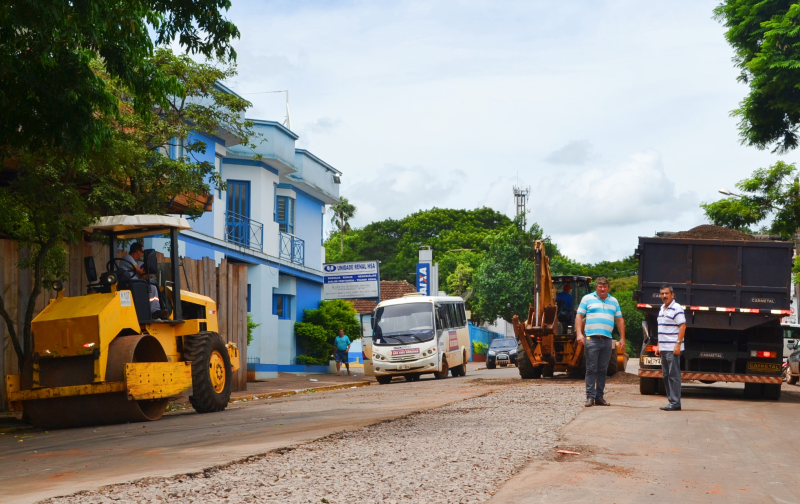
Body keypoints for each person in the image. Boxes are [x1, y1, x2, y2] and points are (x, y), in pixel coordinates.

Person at [575, 277, 625, 407]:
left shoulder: (614, 301)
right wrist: (579, 333)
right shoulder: (587, 298)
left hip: (607, 340)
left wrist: (622, 338)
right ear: (596, 287)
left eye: (605, 287)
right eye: (600, 286)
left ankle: (599, 397)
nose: (602, 289)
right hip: (592, 339)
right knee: (591, 369)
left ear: (608, 288)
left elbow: (619, 319)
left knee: (603, 370)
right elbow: (579, 316)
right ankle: (590, 397)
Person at [655, 284, 685, 411]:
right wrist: (658, 345)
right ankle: (671, 401)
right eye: (662, 293)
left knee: (673, 375)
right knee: (666, 375)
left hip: (672, 348)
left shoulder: (677, 308)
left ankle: (675, 402)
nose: (664, 296)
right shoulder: (662, 308)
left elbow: (682, 326)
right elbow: (662, 328)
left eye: (667, 293)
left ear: (672, 294)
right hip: (664, 347)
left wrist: (678, 344)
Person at [120, 243, 169, 319]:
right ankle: (154, 311)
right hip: (129, 284)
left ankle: (158, 310)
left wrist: (151, 265)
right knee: (152, 287)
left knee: (152, 284)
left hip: (134, 284)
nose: (143, 254)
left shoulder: (136, 262)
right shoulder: (127, 257)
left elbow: (145, 265)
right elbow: (140, 270)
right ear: (137, 251)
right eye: (142, 252)